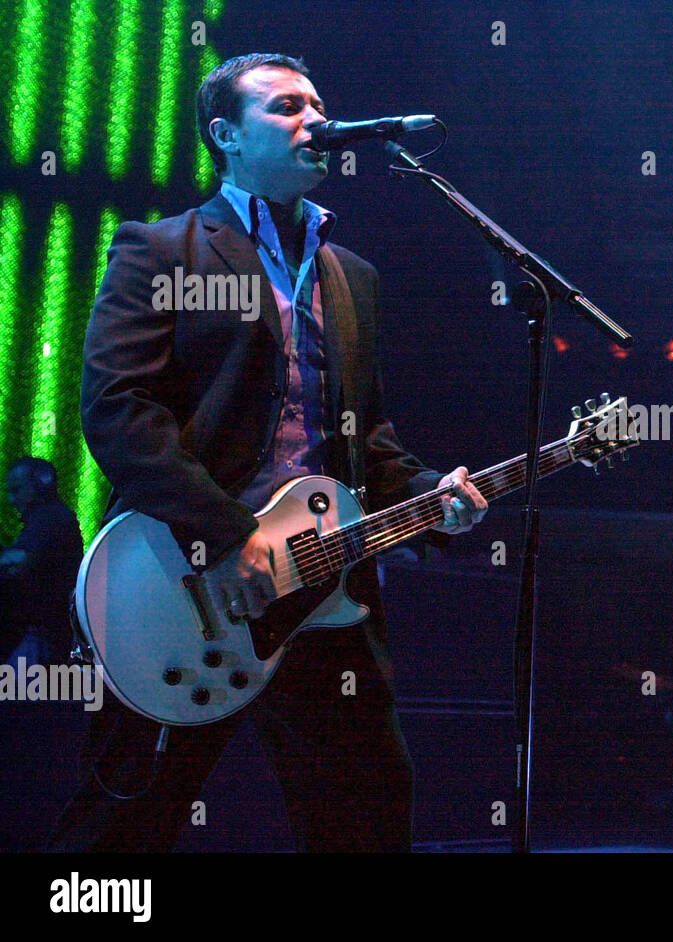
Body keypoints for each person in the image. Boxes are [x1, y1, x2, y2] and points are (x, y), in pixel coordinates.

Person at [48, 53, 487, 853]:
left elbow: (367, 442)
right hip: (182, 588)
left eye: (318, 103)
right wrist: (227, 533)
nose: (314, 119)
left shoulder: (351, 276)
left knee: (367, 824)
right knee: (119, 830)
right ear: (227, 135)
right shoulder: (162, 249)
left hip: (324, 594)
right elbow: (117, 410)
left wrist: (432, 493)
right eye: (286, 106)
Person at [1, 457, 84, 666]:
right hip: (43, 630)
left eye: (17, 489)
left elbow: (19, 561)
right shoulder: (48, 518)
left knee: (15, 692)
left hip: (44, 634)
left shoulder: (51, 517)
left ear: (41, 483)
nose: (11, 499)